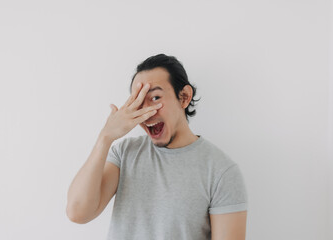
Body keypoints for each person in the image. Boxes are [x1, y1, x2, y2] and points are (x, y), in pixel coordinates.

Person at [66, 54, 248, 240]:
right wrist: (105, 137)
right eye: (138, 101)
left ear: (184, 97)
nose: (146, 113)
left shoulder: (222, 171)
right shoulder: (124, 153)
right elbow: (78, 212)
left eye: (155, 97)